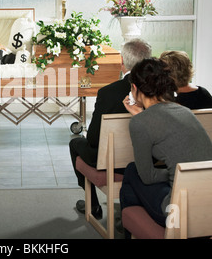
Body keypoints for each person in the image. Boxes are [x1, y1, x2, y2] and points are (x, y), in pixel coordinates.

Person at [120, 58, 212, 231]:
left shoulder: (140, 123)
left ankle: (129, 226)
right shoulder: (184, 111)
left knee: (132, 171)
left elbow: (147, 176)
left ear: (134, 88)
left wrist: (174, 173)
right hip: (208, 201)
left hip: (177, 211)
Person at [69, 38, 152, 218]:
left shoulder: (108, 92)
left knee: (76, 144)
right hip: (150, 158)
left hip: (113, 163)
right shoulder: (159, 90)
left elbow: (92, 139)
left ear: (122, 61)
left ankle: (93, 205)